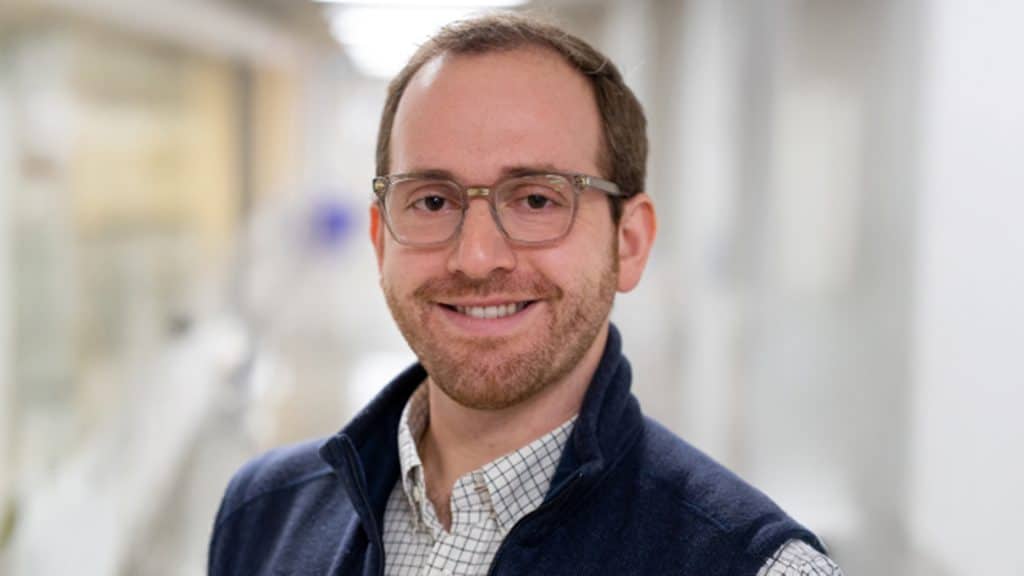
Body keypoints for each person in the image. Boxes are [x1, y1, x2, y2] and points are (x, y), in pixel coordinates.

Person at [209, 13, 843, 576]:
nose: (477, 257)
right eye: (432, 201)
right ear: (380, 241)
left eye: (537, 199)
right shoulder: (263, 516)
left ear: (629, 242)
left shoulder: (758, 566)